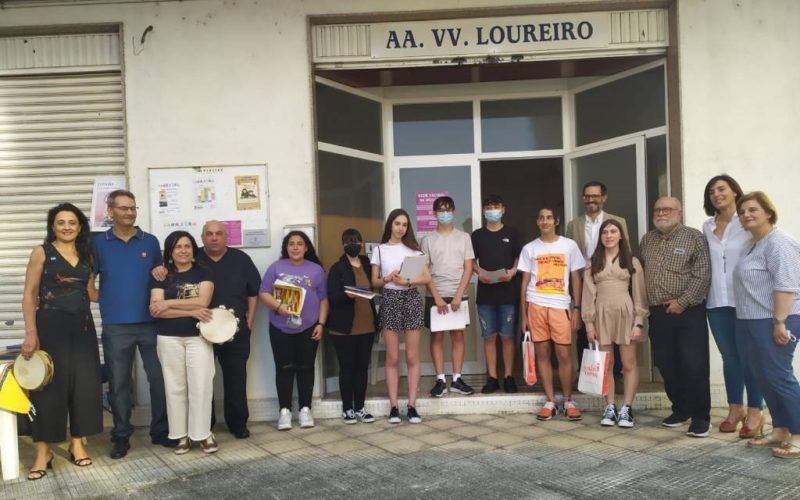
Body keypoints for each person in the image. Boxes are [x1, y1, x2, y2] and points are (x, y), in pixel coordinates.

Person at [21, 204, 103, 480]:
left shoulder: (87, 255)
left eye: (72, 222)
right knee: (48, 389)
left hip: (82, 328)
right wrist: (31, 333)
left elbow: (91, 294)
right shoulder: (41, 253)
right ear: (52, 226)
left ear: (80, 226)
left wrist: (131, 286)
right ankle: (43, 451)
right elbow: (30, 295)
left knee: (83, 386)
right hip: (50, 326)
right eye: (61, 223)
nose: (67, 227)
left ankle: (76, 443)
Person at [92, 190, 173, 459]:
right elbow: (88, 279)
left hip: (152, 323)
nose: (129, 212)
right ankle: (121, 436)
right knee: (119, 384)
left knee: (159, 380)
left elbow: (160, 276)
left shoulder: (149, 242)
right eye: (123, 208)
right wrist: (101, 299)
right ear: (111, 211)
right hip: (116, 325)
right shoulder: (98, 243)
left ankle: (160, 431)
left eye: (133, 208)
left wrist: (161, 272)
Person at [733, 191, 800, 458]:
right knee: (763, 377)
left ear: (768, 212)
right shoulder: (754, 244)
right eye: (742, 212)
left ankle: (798, 432)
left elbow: (786, 285)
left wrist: (779, 322)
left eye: (753, 210)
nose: (746, 215)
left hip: (776, 320)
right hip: (751, 320)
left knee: (779, 376)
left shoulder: (779, 242)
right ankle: (781, 429)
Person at [640, 196, 711, 437]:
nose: (661, 213)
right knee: (665, 362)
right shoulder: (647, 240)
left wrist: (682, 302)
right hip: (658, 312)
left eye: (667, 209)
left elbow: (702, 275)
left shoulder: (694, 238)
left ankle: (701, 417)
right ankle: (681, 409)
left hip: (688, 311)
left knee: (694, 363)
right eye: (657, 209)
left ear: (679, 212)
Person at [702, 175, 763, 437]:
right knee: (730, 358)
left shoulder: (747, 221)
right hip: (717, 302)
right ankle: (734, 409)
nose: (717, 194)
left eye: (722, 189)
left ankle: (756, 412)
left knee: (750, 357)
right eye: (712, 191)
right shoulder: (707, 226)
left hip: (745, 301)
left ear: (735, 191)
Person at [150, 231, 217, 454]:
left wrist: (168, 304)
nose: (183, 250)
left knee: (201, 386)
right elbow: (156, 310)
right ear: (170, 251)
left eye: (187, 246)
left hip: (198, 337)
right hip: (168, 338)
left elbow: (204, 301)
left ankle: (203, 434)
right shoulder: (160, 276)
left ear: (193, 250)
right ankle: (181, 436)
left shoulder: (204, 273)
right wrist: (191, 310)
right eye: (178, 246)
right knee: (174, 388)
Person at [519, 207, 585, 421]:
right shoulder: (529, 248)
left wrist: (577, 308)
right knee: (543, 355)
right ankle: (550, 401)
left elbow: (576, 278)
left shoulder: (569, 245)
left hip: (561, 306)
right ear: (537, 222)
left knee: (564, 355)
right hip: (535, 305)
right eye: (541, 218)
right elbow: (524, 282)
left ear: (556, 221)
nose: (545, 221)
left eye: (549, 218)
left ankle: (568, 400)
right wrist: (524, 315)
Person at [196, 221, 261, 439]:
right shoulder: (192, 258)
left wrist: (250, 319)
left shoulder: (241, 260)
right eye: (209, 234)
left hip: (236, 331)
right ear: (203, 237)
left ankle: (238, 423)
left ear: (227, 237)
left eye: (218, 234)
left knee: (236, 378)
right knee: (202, 379)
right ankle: (205, 423)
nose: (214, 238)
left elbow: (253, 292)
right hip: (199, 331)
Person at [258, 231, 328, 430]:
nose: (295, 247)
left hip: (309, 328)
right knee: (284, 368)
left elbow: (324, 299)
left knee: (306, 367)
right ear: (286, 247)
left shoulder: (316, 270)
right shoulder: (276, 268)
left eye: (300, 244)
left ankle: (306, 409)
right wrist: (279, 307)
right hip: (280, 328)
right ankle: (285, 411)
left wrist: (321, 324)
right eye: (291, 244)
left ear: (306, 247)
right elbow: (263, 293)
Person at [582, 219, 648, 428]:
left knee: (628, 364)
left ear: (620, 235)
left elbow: (639, 294)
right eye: (605, 232)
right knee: (606, 364)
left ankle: (627, 408)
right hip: (601, 313)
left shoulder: (632, 261)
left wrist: (638, 322)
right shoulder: (593, 263)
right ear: (600, 237)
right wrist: (589, 325)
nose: (609, 235)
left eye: (613, 231)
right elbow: (588, 296)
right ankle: (610, 406)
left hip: (625, 313)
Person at [371, 209, 431, 424]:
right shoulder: (379, 250)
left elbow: (425, 277)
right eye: (397, 223)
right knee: (393, 357)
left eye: (404, 224)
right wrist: (388, 278)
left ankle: (412, 405)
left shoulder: (414, 250)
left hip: (411, 299)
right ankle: (394, 406)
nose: (401, 228)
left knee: (413, 357)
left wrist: (406, 281)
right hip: (389, 299)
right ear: (390, 225)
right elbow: (375, 282)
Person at [565, 181, 629, 379]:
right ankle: (588, 376)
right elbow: (568, 257)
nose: (591, 199)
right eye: (587, 196)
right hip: (583, 284)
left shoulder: (617, 221)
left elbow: (625, 251)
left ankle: (615, 375)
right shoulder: (573, 225)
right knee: (585, 330)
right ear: (583, 199)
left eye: (595, 195)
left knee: (614, 331)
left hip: (610, 282)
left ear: (604, 197)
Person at [421, 196, 475, 397]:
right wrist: (436, 297)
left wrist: (458, 295)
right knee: (436, 336)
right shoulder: (427, 240)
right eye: (440, 210)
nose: (445, 213)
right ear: (434, 214)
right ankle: (440, 380)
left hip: (458, 294)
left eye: (448, 209)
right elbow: (424, 271)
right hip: (435, 295)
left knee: (458, 335)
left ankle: (457, 379)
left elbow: (469, 267)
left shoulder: (464, 237)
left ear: (453, 211)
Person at [471, 194, 522, 393]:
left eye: (495, 206)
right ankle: (492, 377)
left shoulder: (513, 233)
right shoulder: (477, 235)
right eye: (488, 206)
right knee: (489, 337)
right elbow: (471, 261)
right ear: (484, 211)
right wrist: (478, 273)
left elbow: (519, 258)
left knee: (507, 337)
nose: (492, 210)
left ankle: (509, 376)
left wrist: (512, 272)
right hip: (485, 294)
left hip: (508, 293)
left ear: (503, 209)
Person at [326, 229, 379, 424]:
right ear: (343, 245)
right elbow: (332, 296)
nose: (352, 244)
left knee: (362, 368)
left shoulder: (366, 264)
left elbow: (374, 286)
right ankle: (347, 408)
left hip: (367, 326)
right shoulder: (337, 268)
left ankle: (360, 407)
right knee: (347, 368)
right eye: (348, 241)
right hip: (344, 328)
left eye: (356, 241)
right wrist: (346, 295)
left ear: (362, 243)